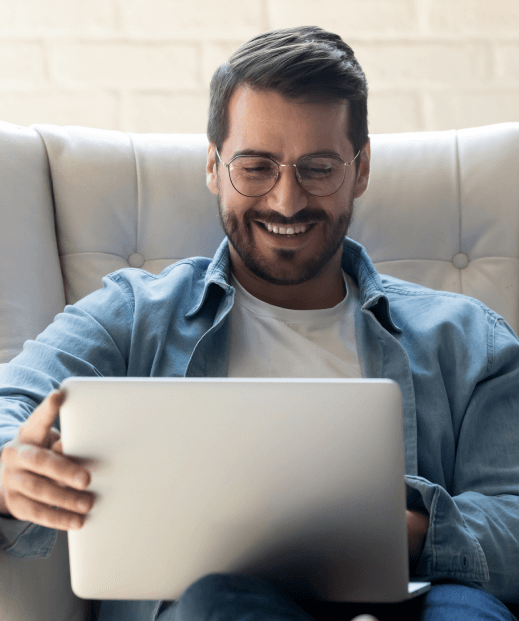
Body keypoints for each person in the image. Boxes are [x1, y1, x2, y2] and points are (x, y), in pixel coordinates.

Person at [0, 25, 518, 621]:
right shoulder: (135, 314)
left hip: (419, 600)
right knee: (216, 602)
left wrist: (408, 533)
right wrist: (13, 471)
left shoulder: (471, 340)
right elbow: (14, 407)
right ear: (214, 169)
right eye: (256, 166)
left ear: (361, 168)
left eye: (318, 168)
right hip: (224, 606)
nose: (286, 200)